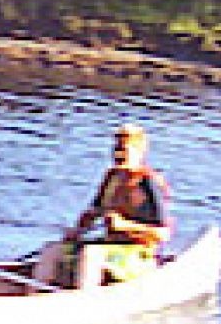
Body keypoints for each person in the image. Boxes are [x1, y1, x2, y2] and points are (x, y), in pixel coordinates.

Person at [52, 123, 172, 288]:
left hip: (138, 253)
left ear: (139, 152)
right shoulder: (112, 177)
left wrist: (124, 225)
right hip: (109, 245)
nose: (118, 154)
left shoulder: (149, 183)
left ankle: (85, 297)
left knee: (91, 254)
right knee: (53, 250)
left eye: (124, 149)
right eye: (116, 148)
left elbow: (163, 234)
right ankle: (34, 292)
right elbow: (93, 212)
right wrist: (77, 231)